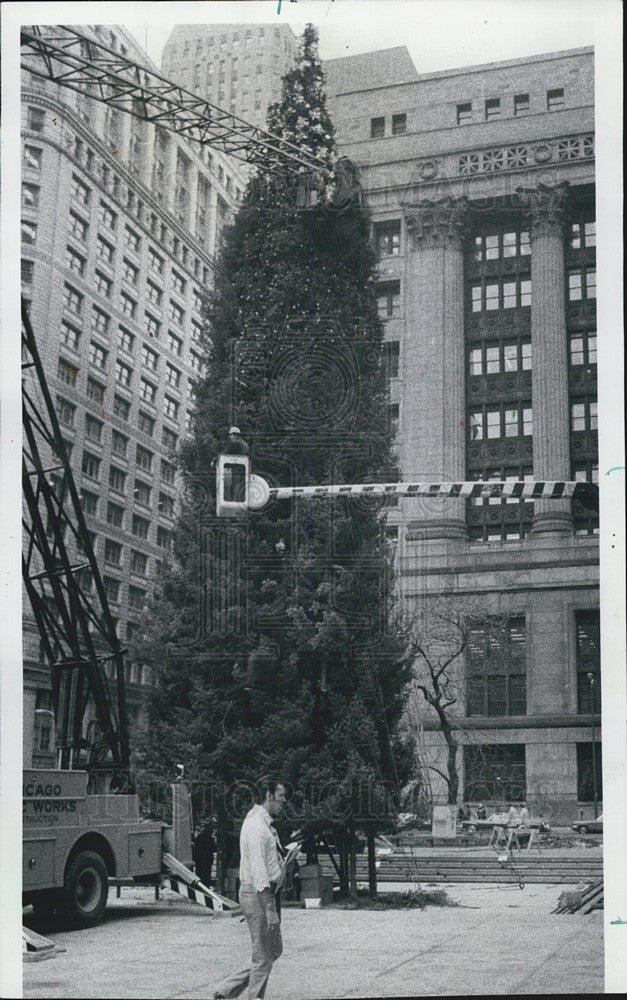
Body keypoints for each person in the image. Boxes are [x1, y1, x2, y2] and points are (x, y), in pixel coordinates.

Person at [213, 779, 287, 1000]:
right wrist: (269, 908)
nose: (284, 800)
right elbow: (259, 874)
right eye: (281, 795)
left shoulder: (263, 823)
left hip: (265, 894)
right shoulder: (256, 826)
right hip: (258, 895)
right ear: (268, 795)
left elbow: (267, 862)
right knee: (263, 956)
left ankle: (226, 991)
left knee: (273, 951)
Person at [193, 820, 216, 889]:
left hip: (200, 859)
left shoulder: (200, 836)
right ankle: (205, 887)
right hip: (206, 860)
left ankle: (200, 887)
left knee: (200, 874)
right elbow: (213, 848)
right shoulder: (209, 838)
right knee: (206, 875)